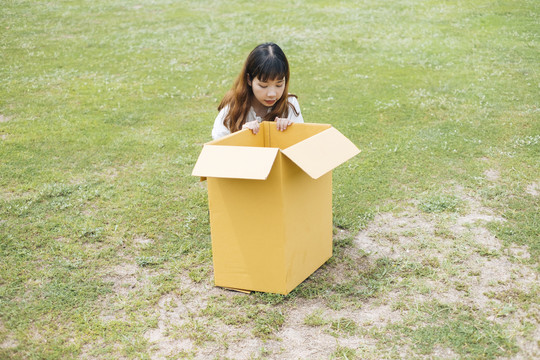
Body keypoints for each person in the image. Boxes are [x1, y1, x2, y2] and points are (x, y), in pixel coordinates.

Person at [212, 42, 304, 140]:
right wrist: (242, 136)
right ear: (249, 80)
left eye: (279, 85)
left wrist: (290, 132)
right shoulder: (233, 105)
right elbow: (218, 146)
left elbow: (301, 145)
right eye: (263, 86)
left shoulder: (289, 103)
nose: (272, 94)